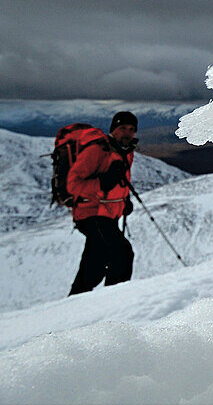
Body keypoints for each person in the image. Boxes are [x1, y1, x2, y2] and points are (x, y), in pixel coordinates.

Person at [66, 111, 138, 296]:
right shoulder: (97, 150)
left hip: (108, 214)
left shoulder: (125, 152)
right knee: (122, 255)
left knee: (94, 266)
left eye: (131, 129)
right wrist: (102, 183)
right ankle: (112, 305)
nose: (127, 133)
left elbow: (118, 183)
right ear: (113, 129)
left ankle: (73, 305)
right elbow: (73, 185)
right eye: (122, 128)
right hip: (91, 213)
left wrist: (123, 202)